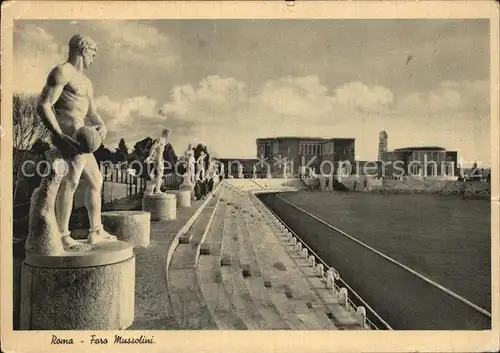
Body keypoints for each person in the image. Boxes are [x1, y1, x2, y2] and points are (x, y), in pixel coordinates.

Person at [37, 34, 116, 251]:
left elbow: (93, 113)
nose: (93, 58)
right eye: (92, 53)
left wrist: (102, 125)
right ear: (83, 50)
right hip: (69, 136)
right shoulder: (62, 72)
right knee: (70, 183)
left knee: (95, 180)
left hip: (83, 138)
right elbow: (44, 105)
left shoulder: (87, 82)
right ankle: (63, 236)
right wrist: (59, 135)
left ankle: (95, 231)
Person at [145, 128, 170, 195]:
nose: (168, 136)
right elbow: (153, 148)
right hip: (158, 159)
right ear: (165, 133)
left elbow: (159, 150)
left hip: (160, 158)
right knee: (159, 174)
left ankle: (151, 189)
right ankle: (157, 190)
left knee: (159, 174)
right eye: (168, 134)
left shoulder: (164, 140)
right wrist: (149, 157)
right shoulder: (160, 139)